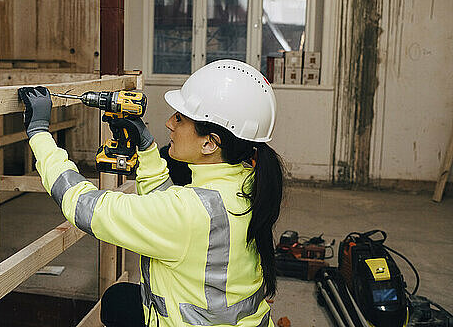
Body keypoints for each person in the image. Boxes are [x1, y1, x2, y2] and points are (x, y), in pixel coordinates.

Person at [18, 59, 284, 327]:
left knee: (119, 303)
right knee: (120, 300)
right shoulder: (247, 182)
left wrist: (39, 134)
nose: (169, 123)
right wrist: (146, 148)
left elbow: (84, 207)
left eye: (179, 118)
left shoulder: (189, 213)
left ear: (209, 143)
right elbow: (173, 210)